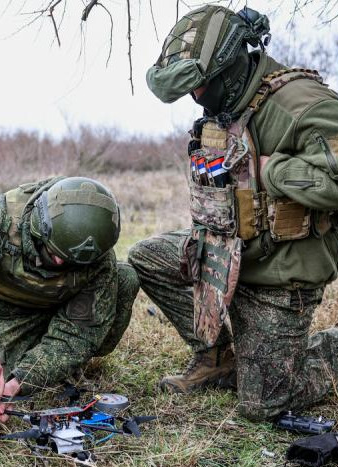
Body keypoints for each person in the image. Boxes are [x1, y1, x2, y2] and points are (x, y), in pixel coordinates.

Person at [129, 5, 338, 421]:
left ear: (230, 68)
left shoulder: (304, 105)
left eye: (201, 87)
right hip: (226, 257)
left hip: (279, 276)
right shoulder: (230, 106)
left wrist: (272, 170)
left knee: (263, 405)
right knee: (145, 258)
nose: (196, 98)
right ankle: (218, 357)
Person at [0, 176, 139, 420]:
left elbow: (80, 333)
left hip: (61, 308)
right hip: (6, 311)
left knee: (125, 278)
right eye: (53, 252)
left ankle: (63, 362)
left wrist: (24, 380)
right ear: (40, 224)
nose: (58, 263)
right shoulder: (4, 216)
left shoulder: (98, 254)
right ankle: (30, 354)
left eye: (69, 261)